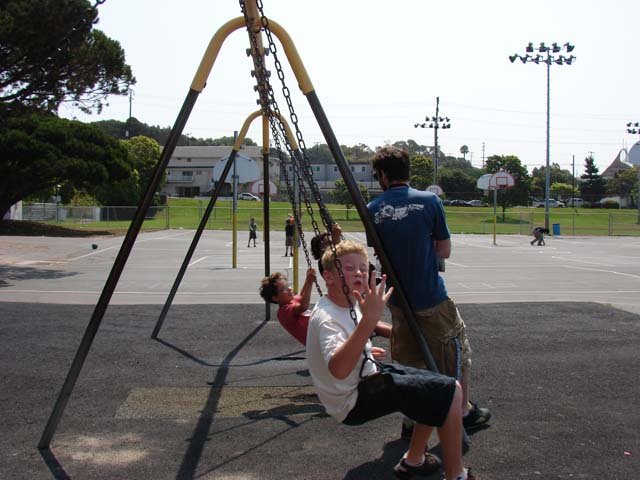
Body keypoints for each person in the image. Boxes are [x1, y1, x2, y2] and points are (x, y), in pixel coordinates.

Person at [307, 240, 476, 480]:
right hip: (353, 399)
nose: (359, 273)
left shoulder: (348, 302)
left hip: (364, 378)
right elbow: (339, 368)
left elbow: (352, 342)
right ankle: (456, 474)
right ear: (329, 277)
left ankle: (413, 461)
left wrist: (364, 351)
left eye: (363, 268)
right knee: (451, 392)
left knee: (436, 385)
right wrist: (369, 321)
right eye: (349, 268)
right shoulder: (327, 318)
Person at [367, 146, 491, 437]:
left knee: (409, 363)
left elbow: (381, 252)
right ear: (407, 171)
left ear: (383, 175)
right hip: (431, 298)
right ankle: (462, 413)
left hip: (398, 301)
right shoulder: (430, 201)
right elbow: (444, 251)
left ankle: (412, 421)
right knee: (456, 354)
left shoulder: (373, 208)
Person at [259, 268, 316, 345]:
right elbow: (303, 307)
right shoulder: (283, 312)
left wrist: (308, 278)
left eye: (288, 286)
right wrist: (309, 282)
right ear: (275, 298)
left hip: (318, 334)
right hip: (315, 343)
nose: (289, 289)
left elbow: (302, 296)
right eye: (283, 289)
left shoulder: (290, 300)